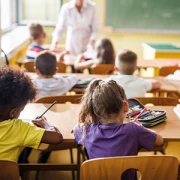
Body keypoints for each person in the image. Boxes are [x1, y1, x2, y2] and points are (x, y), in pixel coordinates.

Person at [73, 79, 163, 179]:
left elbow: (76, 129)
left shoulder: (84, 129)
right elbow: (160, 141)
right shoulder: (134, 130)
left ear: (94, 110)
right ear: (125, 106)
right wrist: (140, 127)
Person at [0, 66, 63, 162]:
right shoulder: (19, 129)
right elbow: (57, 138)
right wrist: (45, 123)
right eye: (21, 110)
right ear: (13, 112)